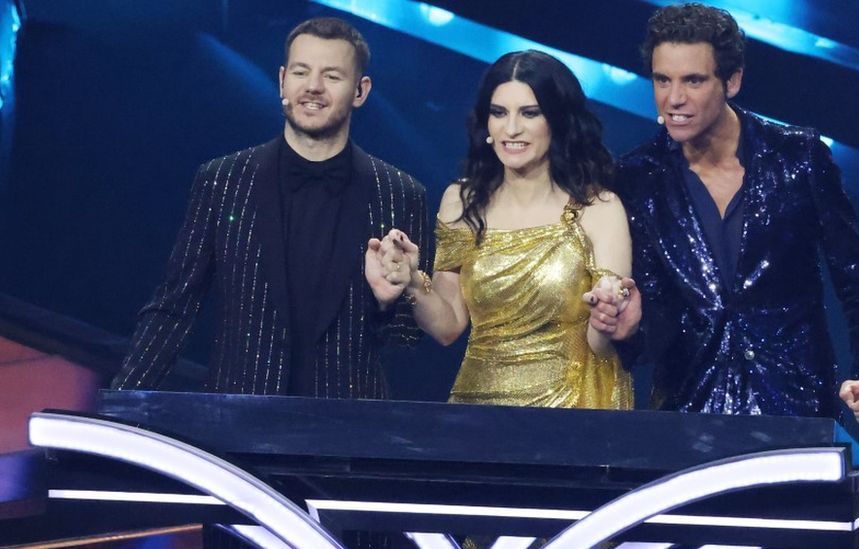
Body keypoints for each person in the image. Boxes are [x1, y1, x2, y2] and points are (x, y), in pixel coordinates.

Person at [591, 3, 859, 422]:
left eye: (693, 80)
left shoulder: (797, 156)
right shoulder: (637, 177)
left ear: (732, 81)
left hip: (796, 408)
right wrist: (632, 330)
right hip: (689, 413)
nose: (674, 98)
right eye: (662, 80)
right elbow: (659, 319)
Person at [112, 17, 430, 401]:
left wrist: (387, 301)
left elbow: (405, 340)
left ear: (360, 91)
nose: (313, 87)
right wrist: (121, 407)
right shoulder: (223, 180)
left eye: (331, 76)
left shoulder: (399, 193)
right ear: (282, 80)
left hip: (347, 432)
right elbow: (174, 306)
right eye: (301, 72)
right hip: (236, 424)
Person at [369, 50, 634, 410]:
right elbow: (448, 327)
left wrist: (607, 320)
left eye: (530, 113)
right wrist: (412, 281)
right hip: (476, 413)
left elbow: (601, 344)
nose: (511, 129)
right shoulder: (461, 201)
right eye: (499, 113)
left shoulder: (599, 209)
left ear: (557, 120)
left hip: (571, 415)